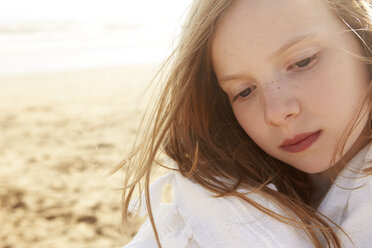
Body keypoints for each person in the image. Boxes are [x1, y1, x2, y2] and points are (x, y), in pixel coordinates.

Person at [121, 0, 372, 247]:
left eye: (303, 61)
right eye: (244, 92)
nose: (275, 112)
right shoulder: (208, 211)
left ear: (363, 38)